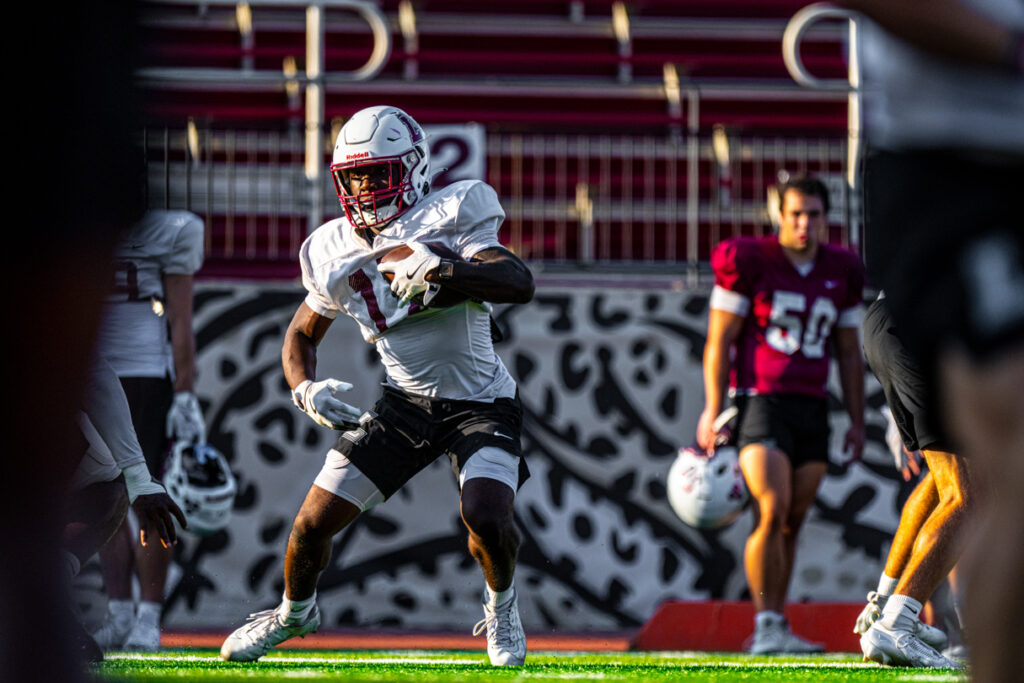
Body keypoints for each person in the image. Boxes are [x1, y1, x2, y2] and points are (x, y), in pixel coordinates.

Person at [219, 105, 535, 666]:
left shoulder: (453, 211)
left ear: (412, 170)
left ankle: (501, 608)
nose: (363, 188)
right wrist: (304, 389)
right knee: (311, 525)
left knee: (486, 515)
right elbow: (300, 333)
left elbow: (516, 281)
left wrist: (442, 269)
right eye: (354, 176)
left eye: (376, 173)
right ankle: (294, 614)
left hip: (481, 402)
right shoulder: (329, 247)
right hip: (402, 405)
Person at [829, 2, 1024, 680]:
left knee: (962, 482)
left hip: (907, 280)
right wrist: (1005, 49)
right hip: (956, 164)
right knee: (990, 483)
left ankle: (890, 600)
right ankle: (901, 613)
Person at [696, 175, 865, 654]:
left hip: (812, 405)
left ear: (825, 217)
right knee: (770, 508)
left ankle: (777, 621)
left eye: (812, 214)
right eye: (795, 214)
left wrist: (856, 418)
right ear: (780, 215)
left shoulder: (841, 268)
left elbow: (849, 353)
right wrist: (713, 406)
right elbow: (719, 341)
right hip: (760, 400)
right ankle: (766, 623)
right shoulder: (751, 261)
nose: (803, 223)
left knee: (792, 518)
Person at [91, 209, 206, 652]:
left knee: (147, 498)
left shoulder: (167, 229)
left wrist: (184, 392)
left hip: (141, 376)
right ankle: (120, 613)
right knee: (104, 498)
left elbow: (180, 318)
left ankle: (148, 617)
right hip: (89, 379)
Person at [854, 294, 974, 668]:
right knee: (968, 496)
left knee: (945, 485)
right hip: (921, 328)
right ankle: (897, 622)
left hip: (890, 323)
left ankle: (887, 605)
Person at [63, 358, 187, 662]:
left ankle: (145, 618)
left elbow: (94, 371)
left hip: (142, 373)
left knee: (118, 489)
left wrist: (138, 477)